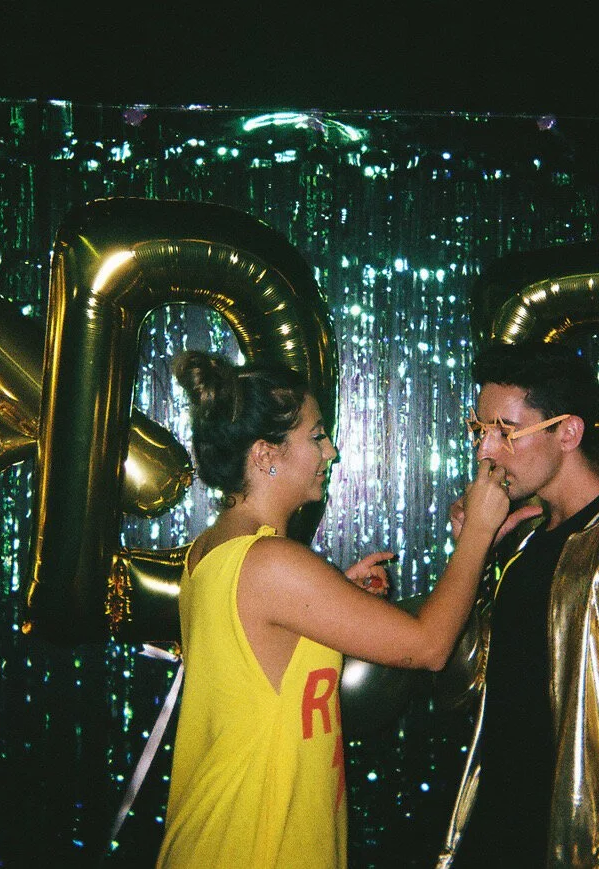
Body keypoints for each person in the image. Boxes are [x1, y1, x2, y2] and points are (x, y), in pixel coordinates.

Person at [156, 351, 513, 869]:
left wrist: (333, 595)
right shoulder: (270, 563)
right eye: (317, 436)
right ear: (266, 454)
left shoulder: (215, 549)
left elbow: (258, 658)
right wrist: (478, 532)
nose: (332, 451)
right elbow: (429, 647)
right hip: (254, 847)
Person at [436, 340, 599, 869]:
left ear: (568, 432)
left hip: (578, 847)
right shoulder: (520, 542)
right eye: (479, 429)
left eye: (506, 431)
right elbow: (459, 686)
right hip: (493, 836)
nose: (485, 451)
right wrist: (471, 556)